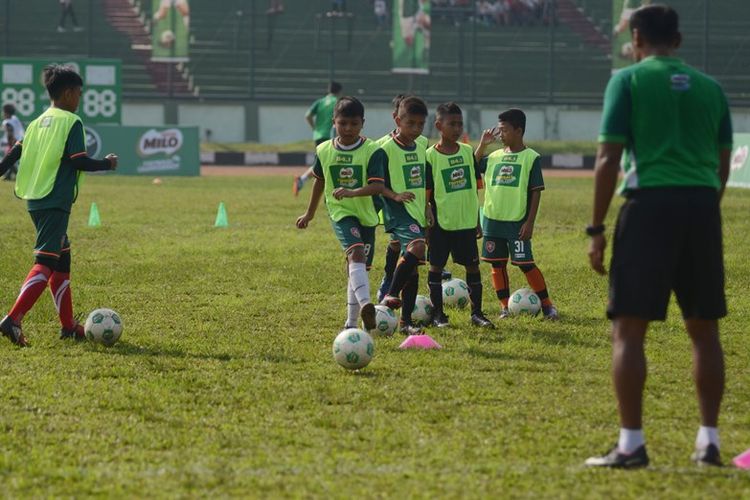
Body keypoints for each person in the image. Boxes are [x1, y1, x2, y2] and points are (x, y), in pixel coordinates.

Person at [585, 4, 732, 469]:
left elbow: (608, 158)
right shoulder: (711, 88)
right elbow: (723, 159)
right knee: (704, 330)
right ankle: (708, 442)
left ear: (634, 40)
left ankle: (631, 445)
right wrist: (705, 202)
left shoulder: (627, 81)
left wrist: (596, 229)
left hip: (648, 207)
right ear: (679, 40)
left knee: (629, 331)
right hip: (701, 206)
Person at [0, 64, 118, 347]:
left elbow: (12, 155)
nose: (80, 98)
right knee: (45, 263)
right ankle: (12, 320)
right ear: (67, 93)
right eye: (79, 92)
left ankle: (67, 326)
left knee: (61, 258)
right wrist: (107, 163)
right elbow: (78, 160)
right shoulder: (71, 122)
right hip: (54, 200)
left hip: (35, 199)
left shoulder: (36, 122)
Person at [296, 96, 385, 332]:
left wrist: (352, 192)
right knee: (355, 252)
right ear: (333, 122)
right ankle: (367, 304)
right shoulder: (324, 150)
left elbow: (378, 186)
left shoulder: (372, 150)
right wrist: (310, 214)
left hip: (367, 215)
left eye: (354, 124)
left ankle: (351, 324)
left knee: (358, 268)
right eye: (342, 123)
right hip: (340, 212)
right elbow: (319, 182)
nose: (348, 129)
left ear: (362, 123)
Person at [474, 108, 559, 320]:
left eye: (504, 130)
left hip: (516, 222)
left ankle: (548, 305)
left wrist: (529, 223)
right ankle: (504, 307)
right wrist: (483, 145)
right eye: (499, 130)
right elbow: (473, 166)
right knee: (497, 264)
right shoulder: (493, 156)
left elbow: (536, 191)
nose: (500, 135)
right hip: (492, 221)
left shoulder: (531, 158)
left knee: (525, 263)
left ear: (518, 130)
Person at [426, 102, 494, 328]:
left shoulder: (466, 152)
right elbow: (427, 193)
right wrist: (427, 223)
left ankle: (477, 314)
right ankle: (438, 315)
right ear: (439, 125)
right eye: (451, 124)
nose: (457, 128)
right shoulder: (430, 156)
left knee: (473, 267)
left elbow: (471, 189)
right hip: (440, 223)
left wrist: (476, 219)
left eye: (460, 124)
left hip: (465, 222)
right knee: (436, 268)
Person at [378, 96, 434, 334]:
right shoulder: (382, 148)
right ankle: (390, 293)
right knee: (418, 247)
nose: (416, 129)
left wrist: (428, 204)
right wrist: (394, 195)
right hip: (396, 210)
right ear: (396, 119)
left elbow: (424, 178)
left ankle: (405, 322)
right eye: (410, 123)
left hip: (416, 211)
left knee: (413, 268)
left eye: (420, 124)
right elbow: (375, 182)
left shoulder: (422, 144)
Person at [293, 82, 343, 196]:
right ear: (339, 91)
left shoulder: (320, 102)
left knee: (323, 162)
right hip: (331, 135)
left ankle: (302, 180)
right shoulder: (338, 103)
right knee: (330, 162)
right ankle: (305, 180)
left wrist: (315, 128)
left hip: (318, 135)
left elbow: (308, 115)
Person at [2, 104, 25, 181]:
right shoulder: (15, 118)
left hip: (14, 142)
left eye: (3, 112)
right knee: (12, 160)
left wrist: (10, 143)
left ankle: (16, 175)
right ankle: (9, 176)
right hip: (21, 140)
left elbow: (10, 132)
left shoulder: (6, 122)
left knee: (9, 159)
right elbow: (21, 124)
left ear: (7, 113)